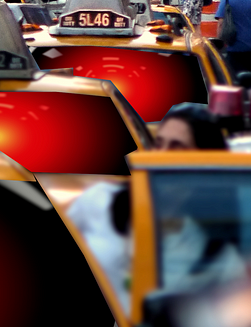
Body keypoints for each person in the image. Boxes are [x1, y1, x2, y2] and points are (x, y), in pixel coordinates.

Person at [67, 104, 226, 315]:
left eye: (176, 148)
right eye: (158, 144)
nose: (161, 155)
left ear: (204, 163)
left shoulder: (208, 250)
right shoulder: (99, 201)